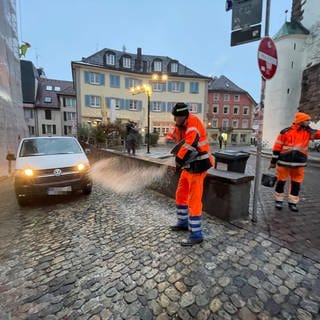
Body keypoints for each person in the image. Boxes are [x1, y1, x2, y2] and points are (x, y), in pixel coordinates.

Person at [167, 102, 214, 246]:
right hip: (188, 166)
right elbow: (175, 137)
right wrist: (169, 138)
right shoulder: (180, 125)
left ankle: (196, 234)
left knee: (194, 200)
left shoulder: (193, 122)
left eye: (176, 117)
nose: (175, 120)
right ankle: (183, 223)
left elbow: (190, 142)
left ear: (183, 116)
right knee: (181, 194)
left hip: (199, 165)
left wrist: (179, 158)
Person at [269, 112, 320, 212]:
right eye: (307, 120)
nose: (309, 122)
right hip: (284, 163)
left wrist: (311, 130)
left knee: (296, 184)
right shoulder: (285, 132)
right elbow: (277, 148)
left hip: (299, 164)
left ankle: (293, 203)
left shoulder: (308, 132)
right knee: (281, 182)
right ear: (300, 121)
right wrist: (273, 162)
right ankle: (278, 201)